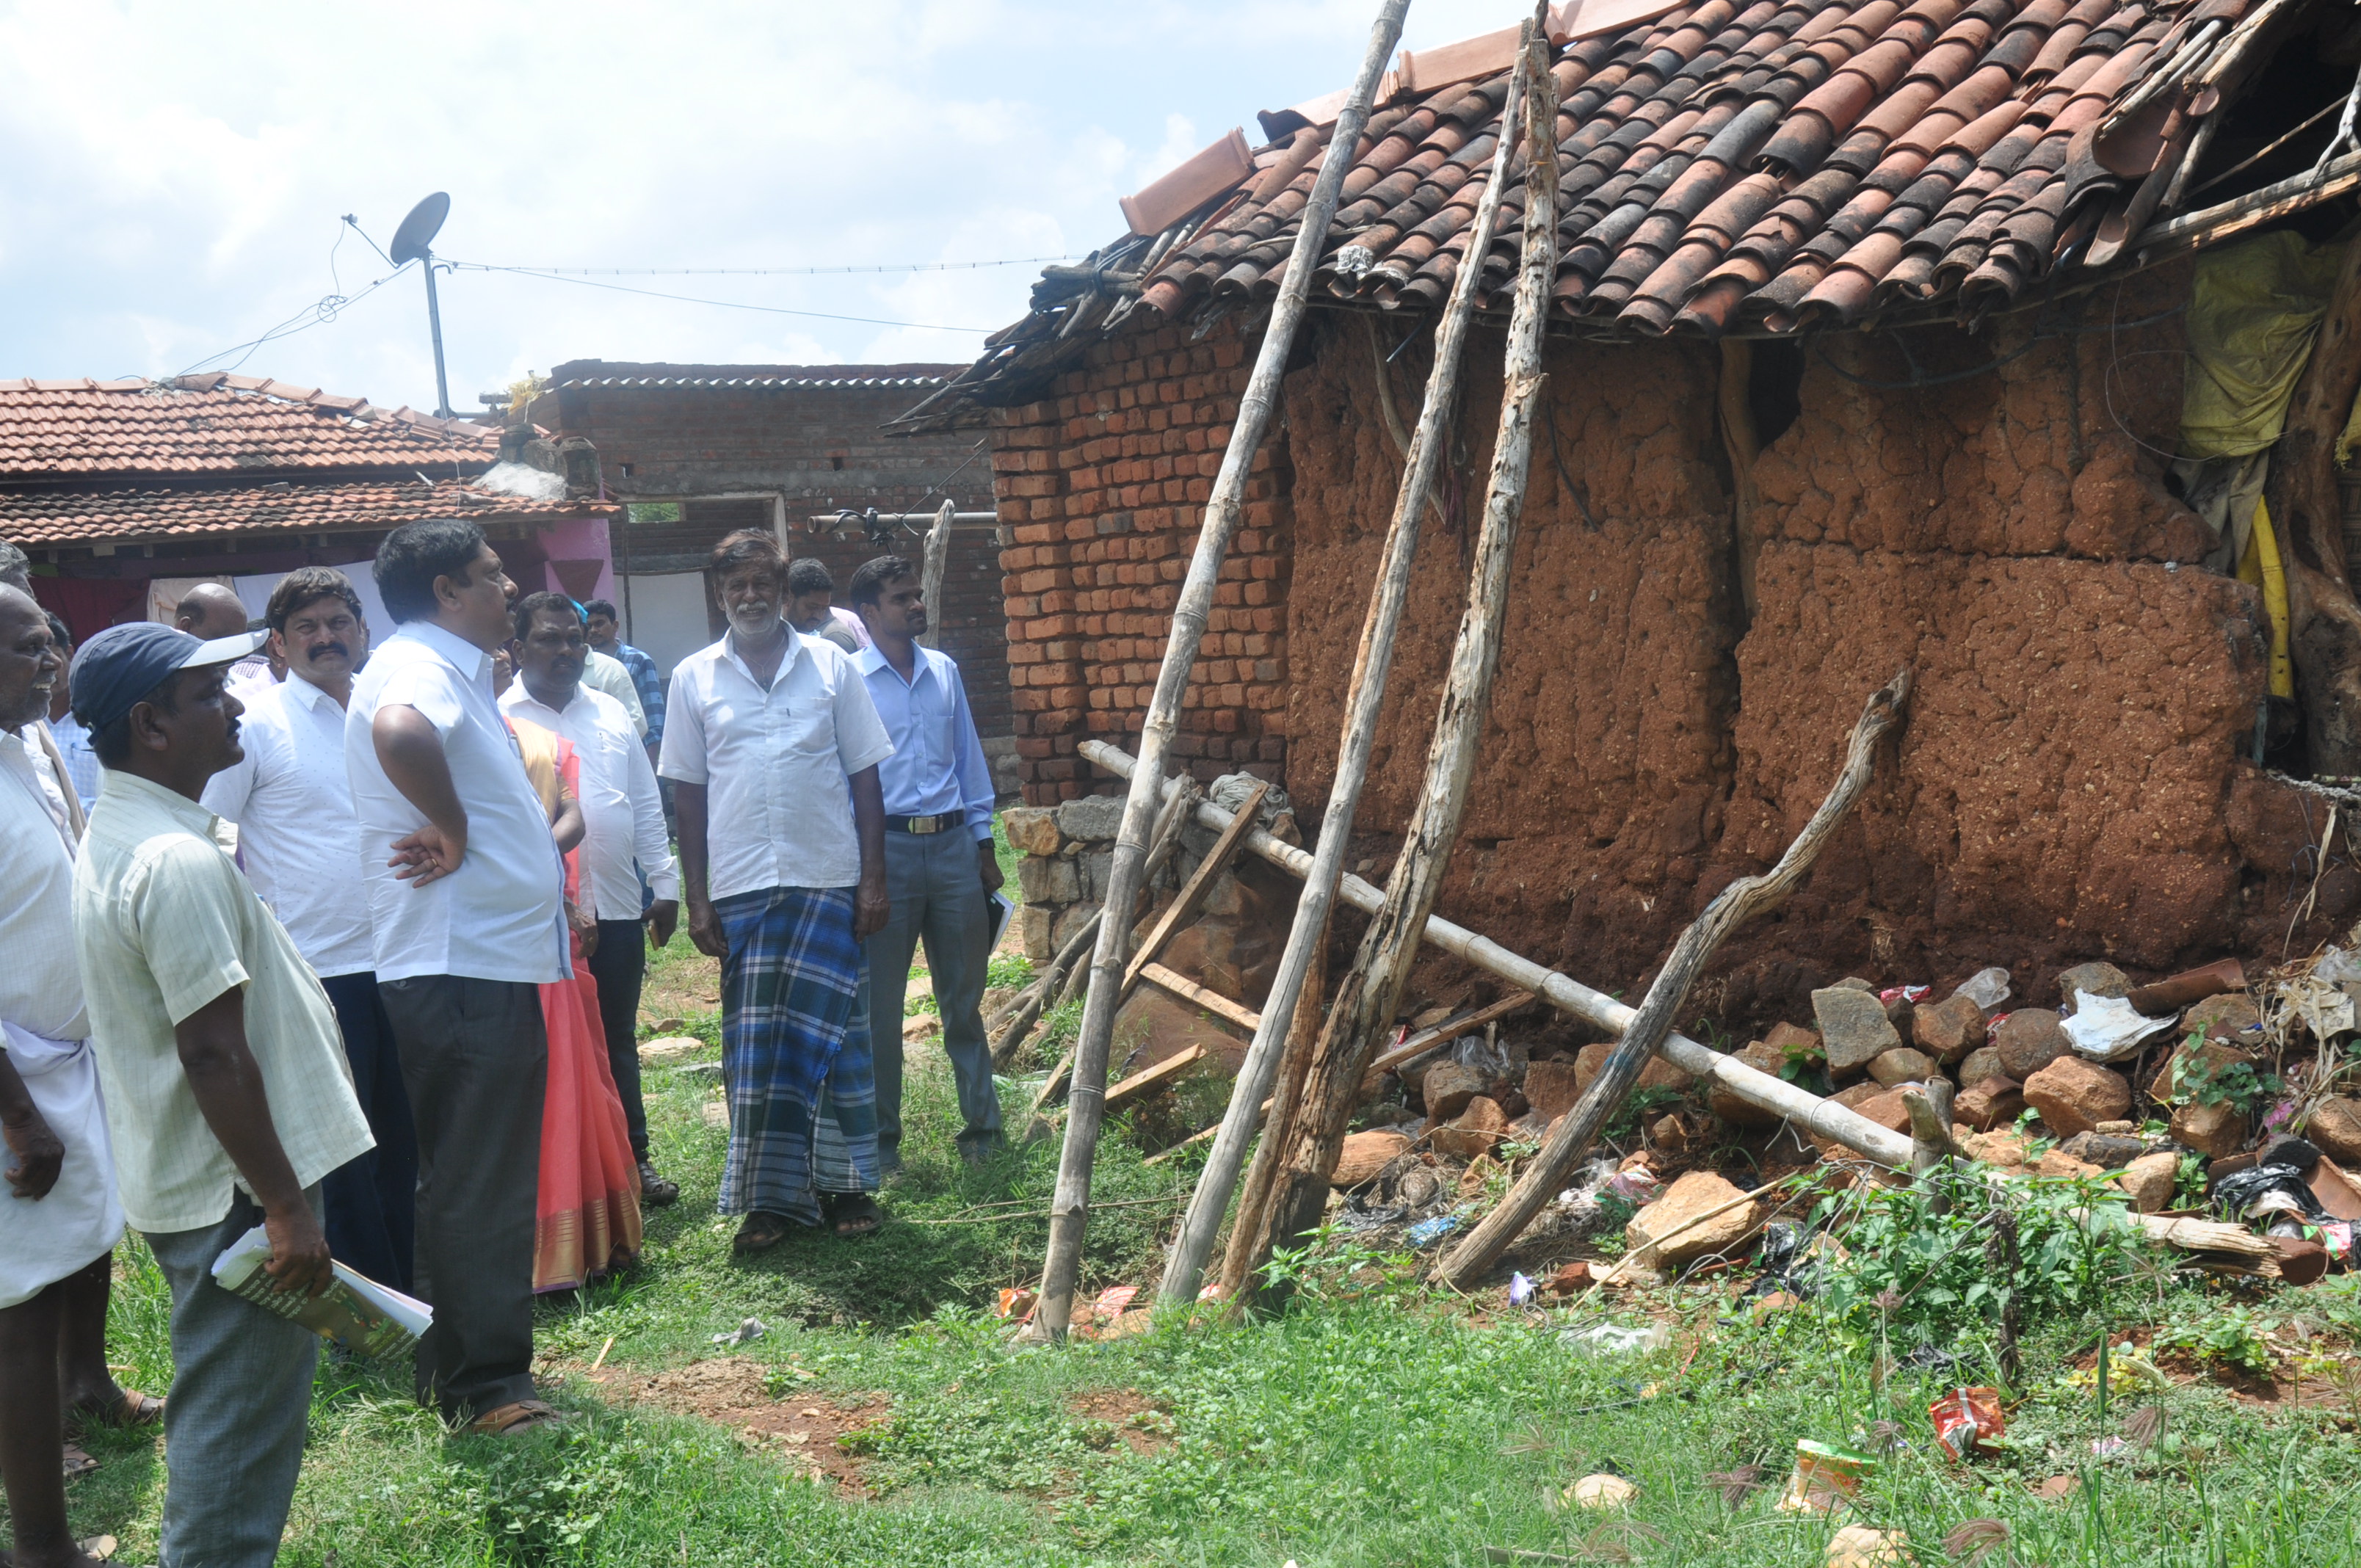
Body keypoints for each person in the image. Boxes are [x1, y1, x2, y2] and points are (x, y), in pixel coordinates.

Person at [70, 619, 373, 1568]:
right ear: (152, 726)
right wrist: (285, 1209)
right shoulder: (178, 862)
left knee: (236, 1417)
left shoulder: (132, 833)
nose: (236, 705)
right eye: (209, 697)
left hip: (206, 1180)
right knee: (237, 1438)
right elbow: (212, 1053)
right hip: (237, 1193)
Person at [345, 519, 568, 1435]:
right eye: (489, 574)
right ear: (444, 591)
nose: (508, 586)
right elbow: (401, 735)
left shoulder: (443, 665)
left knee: (464, 1175)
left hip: (470, 962)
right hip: (460, 963)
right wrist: (459, 829)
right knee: (481, 1179)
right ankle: (489, 1389)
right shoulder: (419, 671)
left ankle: (461, 1370)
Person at [659, 530, 893, 1250]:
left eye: (764, 583)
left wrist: (873, 880)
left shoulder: (832, 666)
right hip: (742, 891)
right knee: (756, 1050)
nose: (752, 597)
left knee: (837, 1038)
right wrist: (696, 897)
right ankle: (769, 1201)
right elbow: (688, 799)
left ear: (782, 589)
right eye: (738, 586)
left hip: (827, 878)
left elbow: (865, 778)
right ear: (720, 594)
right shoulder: (693, 678)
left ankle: (846, 1186)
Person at [201, 569, 416, 1293]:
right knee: (342, 1149)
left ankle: (414, 1293)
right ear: (278, 646)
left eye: (338, 622)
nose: (326, 638)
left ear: (363, 631)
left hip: (407, 954)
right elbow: (211, 833)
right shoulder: (257, 725)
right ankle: (369, 1311)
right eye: (307, 628)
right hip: (316, 969)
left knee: (406, 1138)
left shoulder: (392, 715)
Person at [0, 586, 143, 1568]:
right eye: (23, 650)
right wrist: (19, 1118)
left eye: (49, 642)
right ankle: (42, 1545)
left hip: (71, 1056)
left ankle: (86, 1391)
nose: (49, 662)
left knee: (72, 1261)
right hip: (18, 1081)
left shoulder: (36, 747)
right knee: (22, 1308)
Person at [501, 594, 682, 1206]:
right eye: (549, 640)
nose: (565, 651)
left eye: (574, 639)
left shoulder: (608, 711)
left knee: (617, 1041)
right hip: (540, 917)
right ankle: (564, 1185)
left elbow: (645, 802)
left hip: (620, 906)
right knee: (549, 1048)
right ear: (519, 648)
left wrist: (666, 883)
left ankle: (633, 1165)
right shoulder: (498, 720)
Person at [488, 636, 645, 1289]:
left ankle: (584, 1241)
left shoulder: (533, 740)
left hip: (546, 922)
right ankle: (519, 1250)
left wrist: (534, 860)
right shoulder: (439, 737)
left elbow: (572, 815)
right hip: (484, 935)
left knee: (577, 1074)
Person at [846, 555, 1004, 1170]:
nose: (916, 604)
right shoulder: (850, 681)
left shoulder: (945, 671)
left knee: (963, 998)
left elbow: (968, 762)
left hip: (953, 850)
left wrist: (984, 846)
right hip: (885, 853)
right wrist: (865, 871)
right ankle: (883, 1145)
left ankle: (983, 1132)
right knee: (879, 1008)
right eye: (900, 598)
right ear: (868, 612)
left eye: (917, 594)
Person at [582, 598, 664, 761]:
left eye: (599, 624)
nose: (593, 630)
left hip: (637, 753)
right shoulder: (581, 664)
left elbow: (654, 721)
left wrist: (651, 770)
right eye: (588, 626)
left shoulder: (638, 661)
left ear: (615, 626)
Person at [175, 584, 272, 703]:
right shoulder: (154, 690)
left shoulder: (251, 695)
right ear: (186, 628)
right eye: (223, 641)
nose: (233, 656)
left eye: (238, 644)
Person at [43, 616, 99, 813]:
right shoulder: (22, 727)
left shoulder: (100, 720)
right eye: (34, 660)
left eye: (52, 657)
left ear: (69, 653)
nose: (45, 669)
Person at [785, 559, 867, 653]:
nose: (818, 616)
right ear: (788, 598)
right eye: (812, 607)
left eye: (824, 609)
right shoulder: (773, 633)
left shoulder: (836, 637)